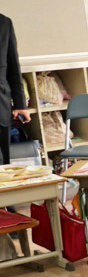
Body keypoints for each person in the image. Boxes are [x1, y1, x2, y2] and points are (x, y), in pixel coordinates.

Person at [0, 13, 31, 165]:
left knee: (2, 162)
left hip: (1, 104)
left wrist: (20, 104)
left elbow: (13, 66)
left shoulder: (4, 23)